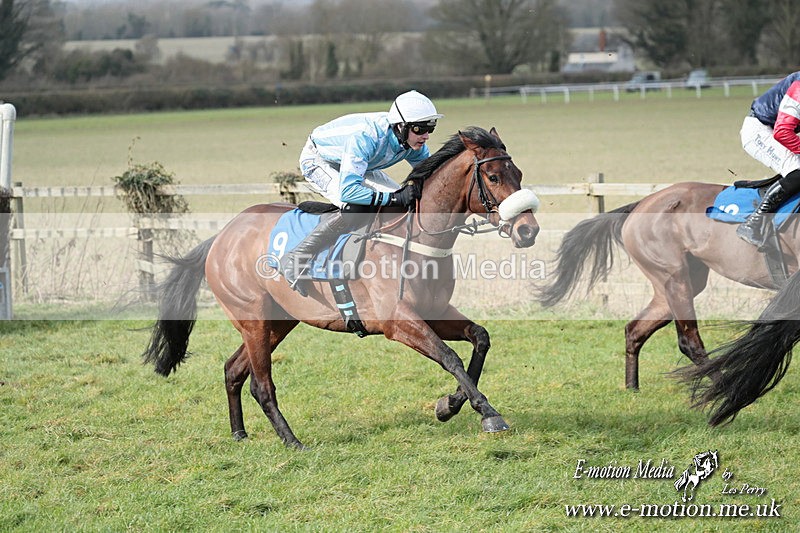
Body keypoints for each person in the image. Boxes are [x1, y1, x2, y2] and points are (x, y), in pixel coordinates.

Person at [280, 90, 443, 296]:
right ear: (401, 126)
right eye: (421, 129)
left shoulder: (414, 142)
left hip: (358, 164)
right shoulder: (367, 136)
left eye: (431, 129)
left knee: (402, 204)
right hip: (319, 160)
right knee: (355, 206)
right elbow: (349, 192)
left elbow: (431, 176)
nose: (426, 136)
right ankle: (296, 256)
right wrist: (392, 197)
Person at [738, 72, 800, 247]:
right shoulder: (799, 88)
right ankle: (753, 223)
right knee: (797, 171)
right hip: (759, 131)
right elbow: (782, 131)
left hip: (776, 131)